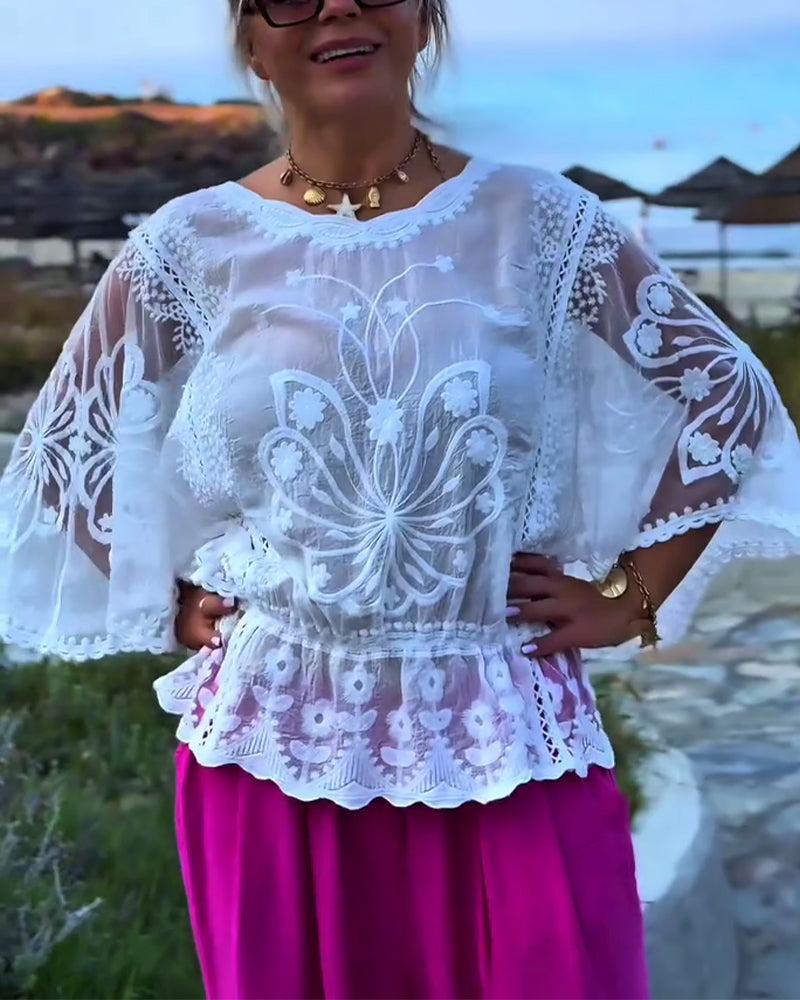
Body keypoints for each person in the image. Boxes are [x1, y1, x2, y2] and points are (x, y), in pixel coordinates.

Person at [2, 2, 800, 998]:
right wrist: (164, 601)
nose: (338, 6)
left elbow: (725, 395)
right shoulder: (187, 245)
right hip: (270, 744)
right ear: (253, 42)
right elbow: (66, 448)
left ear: (423, 19)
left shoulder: (540, 220)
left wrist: (630, 597)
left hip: (509, 737)